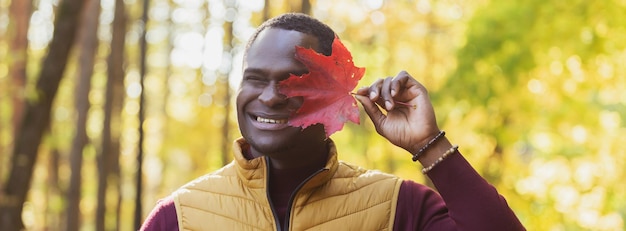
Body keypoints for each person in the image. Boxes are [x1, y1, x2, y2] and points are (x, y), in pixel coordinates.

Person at [140, 13, 525, 231]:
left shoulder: (399, 208)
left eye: (294, 81)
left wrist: (430, 145)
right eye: (255, 79)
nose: (270, 96)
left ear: (334, 94)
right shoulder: (179, 217)